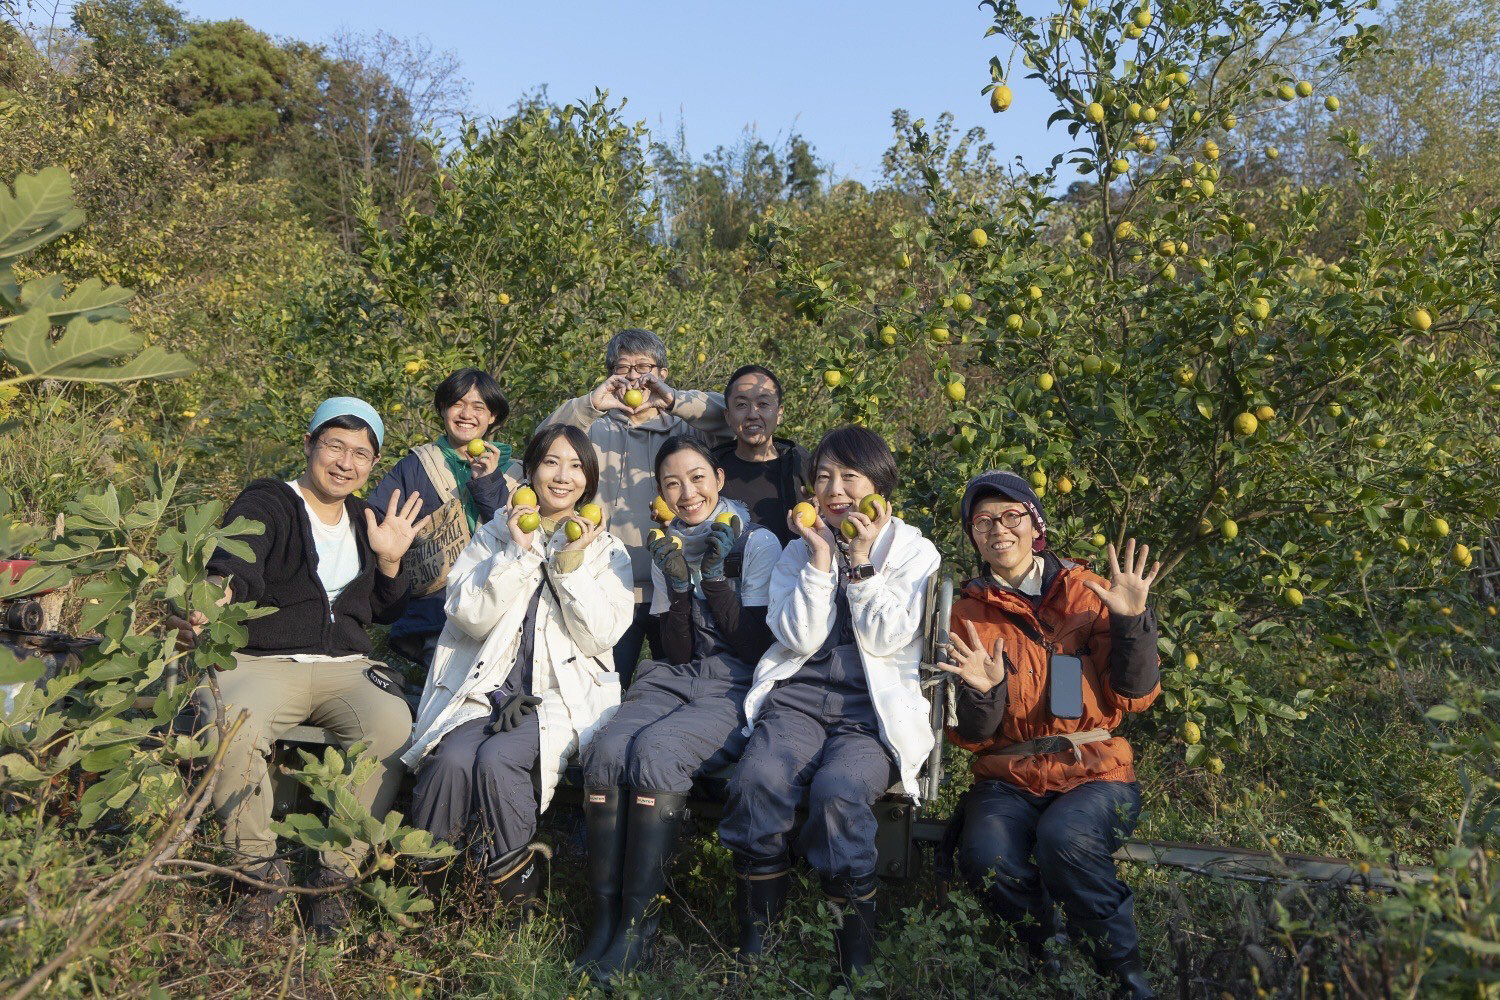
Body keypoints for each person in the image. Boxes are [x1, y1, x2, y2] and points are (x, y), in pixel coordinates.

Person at [175, 397, 424, 937]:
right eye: (335, 445)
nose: (345, 462)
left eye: (361, 453)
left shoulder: (366, 518)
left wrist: (389, 561)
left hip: (346, 667)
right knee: (230, 722)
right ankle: (257, 871)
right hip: (263, 660)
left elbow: (385, 609)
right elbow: (236, 565)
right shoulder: (269, 501)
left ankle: (334, 877)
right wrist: (213, 599)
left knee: (391, 727)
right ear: (309, 445)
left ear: (372, 465)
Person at [718, 426, 940, 981]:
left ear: (879, 484)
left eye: (848, 476)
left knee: (839, 792)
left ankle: (852, 950)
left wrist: (861, 562)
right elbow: (798, 637)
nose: (834, 489)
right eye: (822, 477)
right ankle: (758, 933)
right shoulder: (797, 550)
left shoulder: (914, 551)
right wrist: (822, 557)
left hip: (870, 713)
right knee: (757, 781)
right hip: (799, 702)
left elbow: (890, 638)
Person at [940, 470, 1161, 1000]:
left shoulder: (1088, 593)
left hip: (1097, 771)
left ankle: (1124, 977)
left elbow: (1135, 696)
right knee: (986, 855)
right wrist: (985, 692)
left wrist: (1131, 624)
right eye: (983, 521)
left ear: (1035, 523)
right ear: (973, 535)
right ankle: (1049, 955)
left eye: (1011, 516)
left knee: (1065, 839)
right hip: (1009, 775)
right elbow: (970, 735)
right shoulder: (965, 614)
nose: (999, 529)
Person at [573, 437, 782, 983]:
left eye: (695, 479)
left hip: (734, 681)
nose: (686, 493)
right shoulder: (666, 539)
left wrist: (713, 579)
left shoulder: (755, 543)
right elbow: (678, 651)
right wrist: (679, 585)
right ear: (660, 492)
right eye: (671, 483)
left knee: (657, 753)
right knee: (607, 750)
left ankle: (639, 926)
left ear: (718, 478)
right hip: (676, 674)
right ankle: (604, 918)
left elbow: (753, 646)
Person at [402, 425, 633, 913]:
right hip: (486, 691)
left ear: (588, 481)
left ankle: (512, 898)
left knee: (498, 760)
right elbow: (467, 615)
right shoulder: (495, 534)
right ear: (528, 473)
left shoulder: (606, 551)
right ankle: (428, 899)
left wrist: (569, 567)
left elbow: (600, 635)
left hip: (555, 699)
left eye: (575, 466)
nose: (562, 475)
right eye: (551, 462)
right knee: (449, 762)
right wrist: (517, 552)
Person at [540, 328, 732, 685]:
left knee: (676, 685)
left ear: (662, 374)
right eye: (623, 366)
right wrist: (590, 406)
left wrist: (675, 401)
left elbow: (734, 416)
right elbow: (540, 444)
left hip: (676, 585)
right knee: (602, 691)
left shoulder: (685, 429)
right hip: (607, 587)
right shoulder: (593, 429)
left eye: (645, 366)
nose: (633, 376)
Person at [370, 368, 512, 672]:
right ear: (443, 409)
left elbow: (517, 535)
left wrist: (490, 482)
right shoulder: (414, 468)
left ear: (494, 417)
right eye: (457, 404)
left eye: (478, 407)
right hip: (436, 614)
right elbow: (377, 523)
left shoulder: (514, 471)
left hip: (500, 611)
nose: (466, 414)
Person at [711, 365, 810, 547]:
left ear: (779, 413)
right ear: (727, 415)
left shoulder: (804, 470)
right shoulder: (710, 473)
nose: (752, 414)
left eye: (763, 404)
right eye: (741, 405)